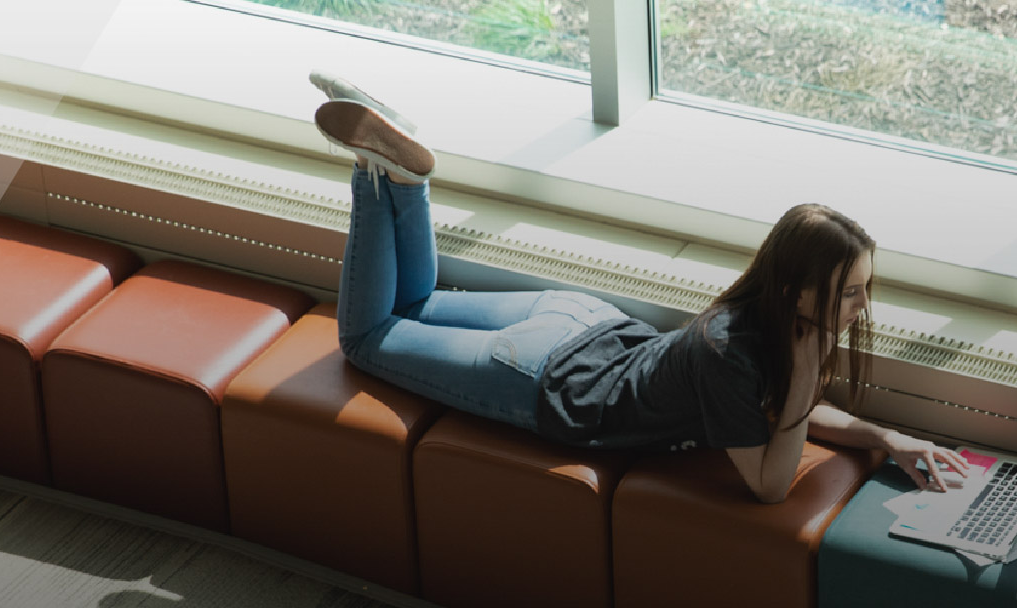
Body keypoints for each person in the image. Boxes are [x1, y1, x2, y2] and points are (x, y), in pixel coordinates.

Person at [308, 72, 970, 503]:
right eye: (852, 293)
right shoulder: (734, 353)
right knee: (368, 337)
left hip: (577, 321)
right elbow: (770, 483)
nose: (861, 307)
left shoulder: (764, 317)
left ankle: (405, 174)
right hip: (542, 379)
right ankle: (382, 172)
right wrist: (803, 379)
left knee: (412, 307)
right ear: (800, 290)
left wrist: (887, 438)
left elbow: (774, 415)